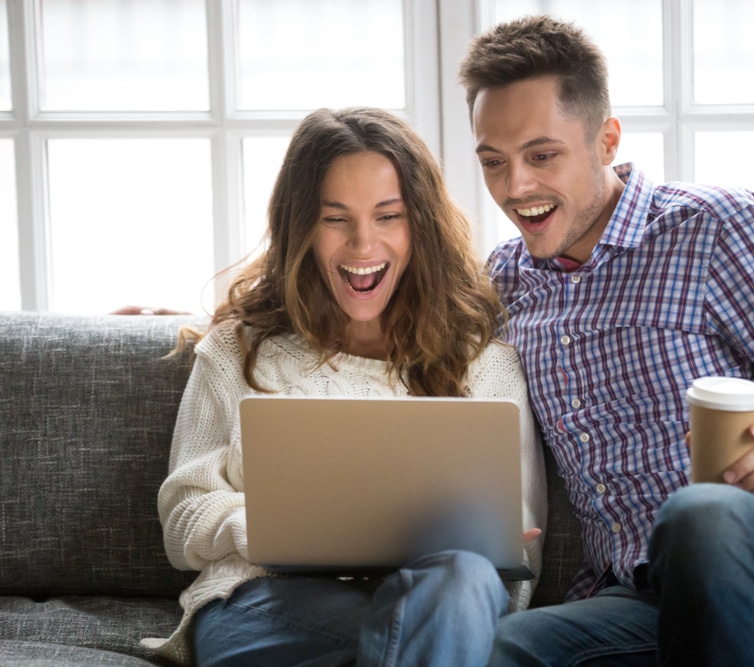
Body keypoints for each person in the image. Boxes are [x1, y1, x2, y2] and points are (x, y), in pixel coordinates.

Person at [458, 15, 754, 666]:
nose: (515, 187)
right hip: (644, 598)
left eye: (542, 154)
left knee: (699, 514)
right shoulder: (504, 281)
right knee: (514, 646)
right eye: (494, 162)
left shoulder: (719, 227)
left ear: (606, 139)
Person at [140, 107, 545, 666]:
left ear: (419, 224)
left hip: (438, 605)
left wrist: (472, 567)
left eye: (388, 216)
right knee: (430, 637)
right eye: (336, 219)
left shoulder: (486, 365)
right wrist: (272, 528)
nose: (362, 245)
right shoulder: (239, 351)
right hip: (268, 604)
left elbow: (519, 554)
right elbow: (183, 519)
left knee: (461, 580)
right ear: (300, 226)